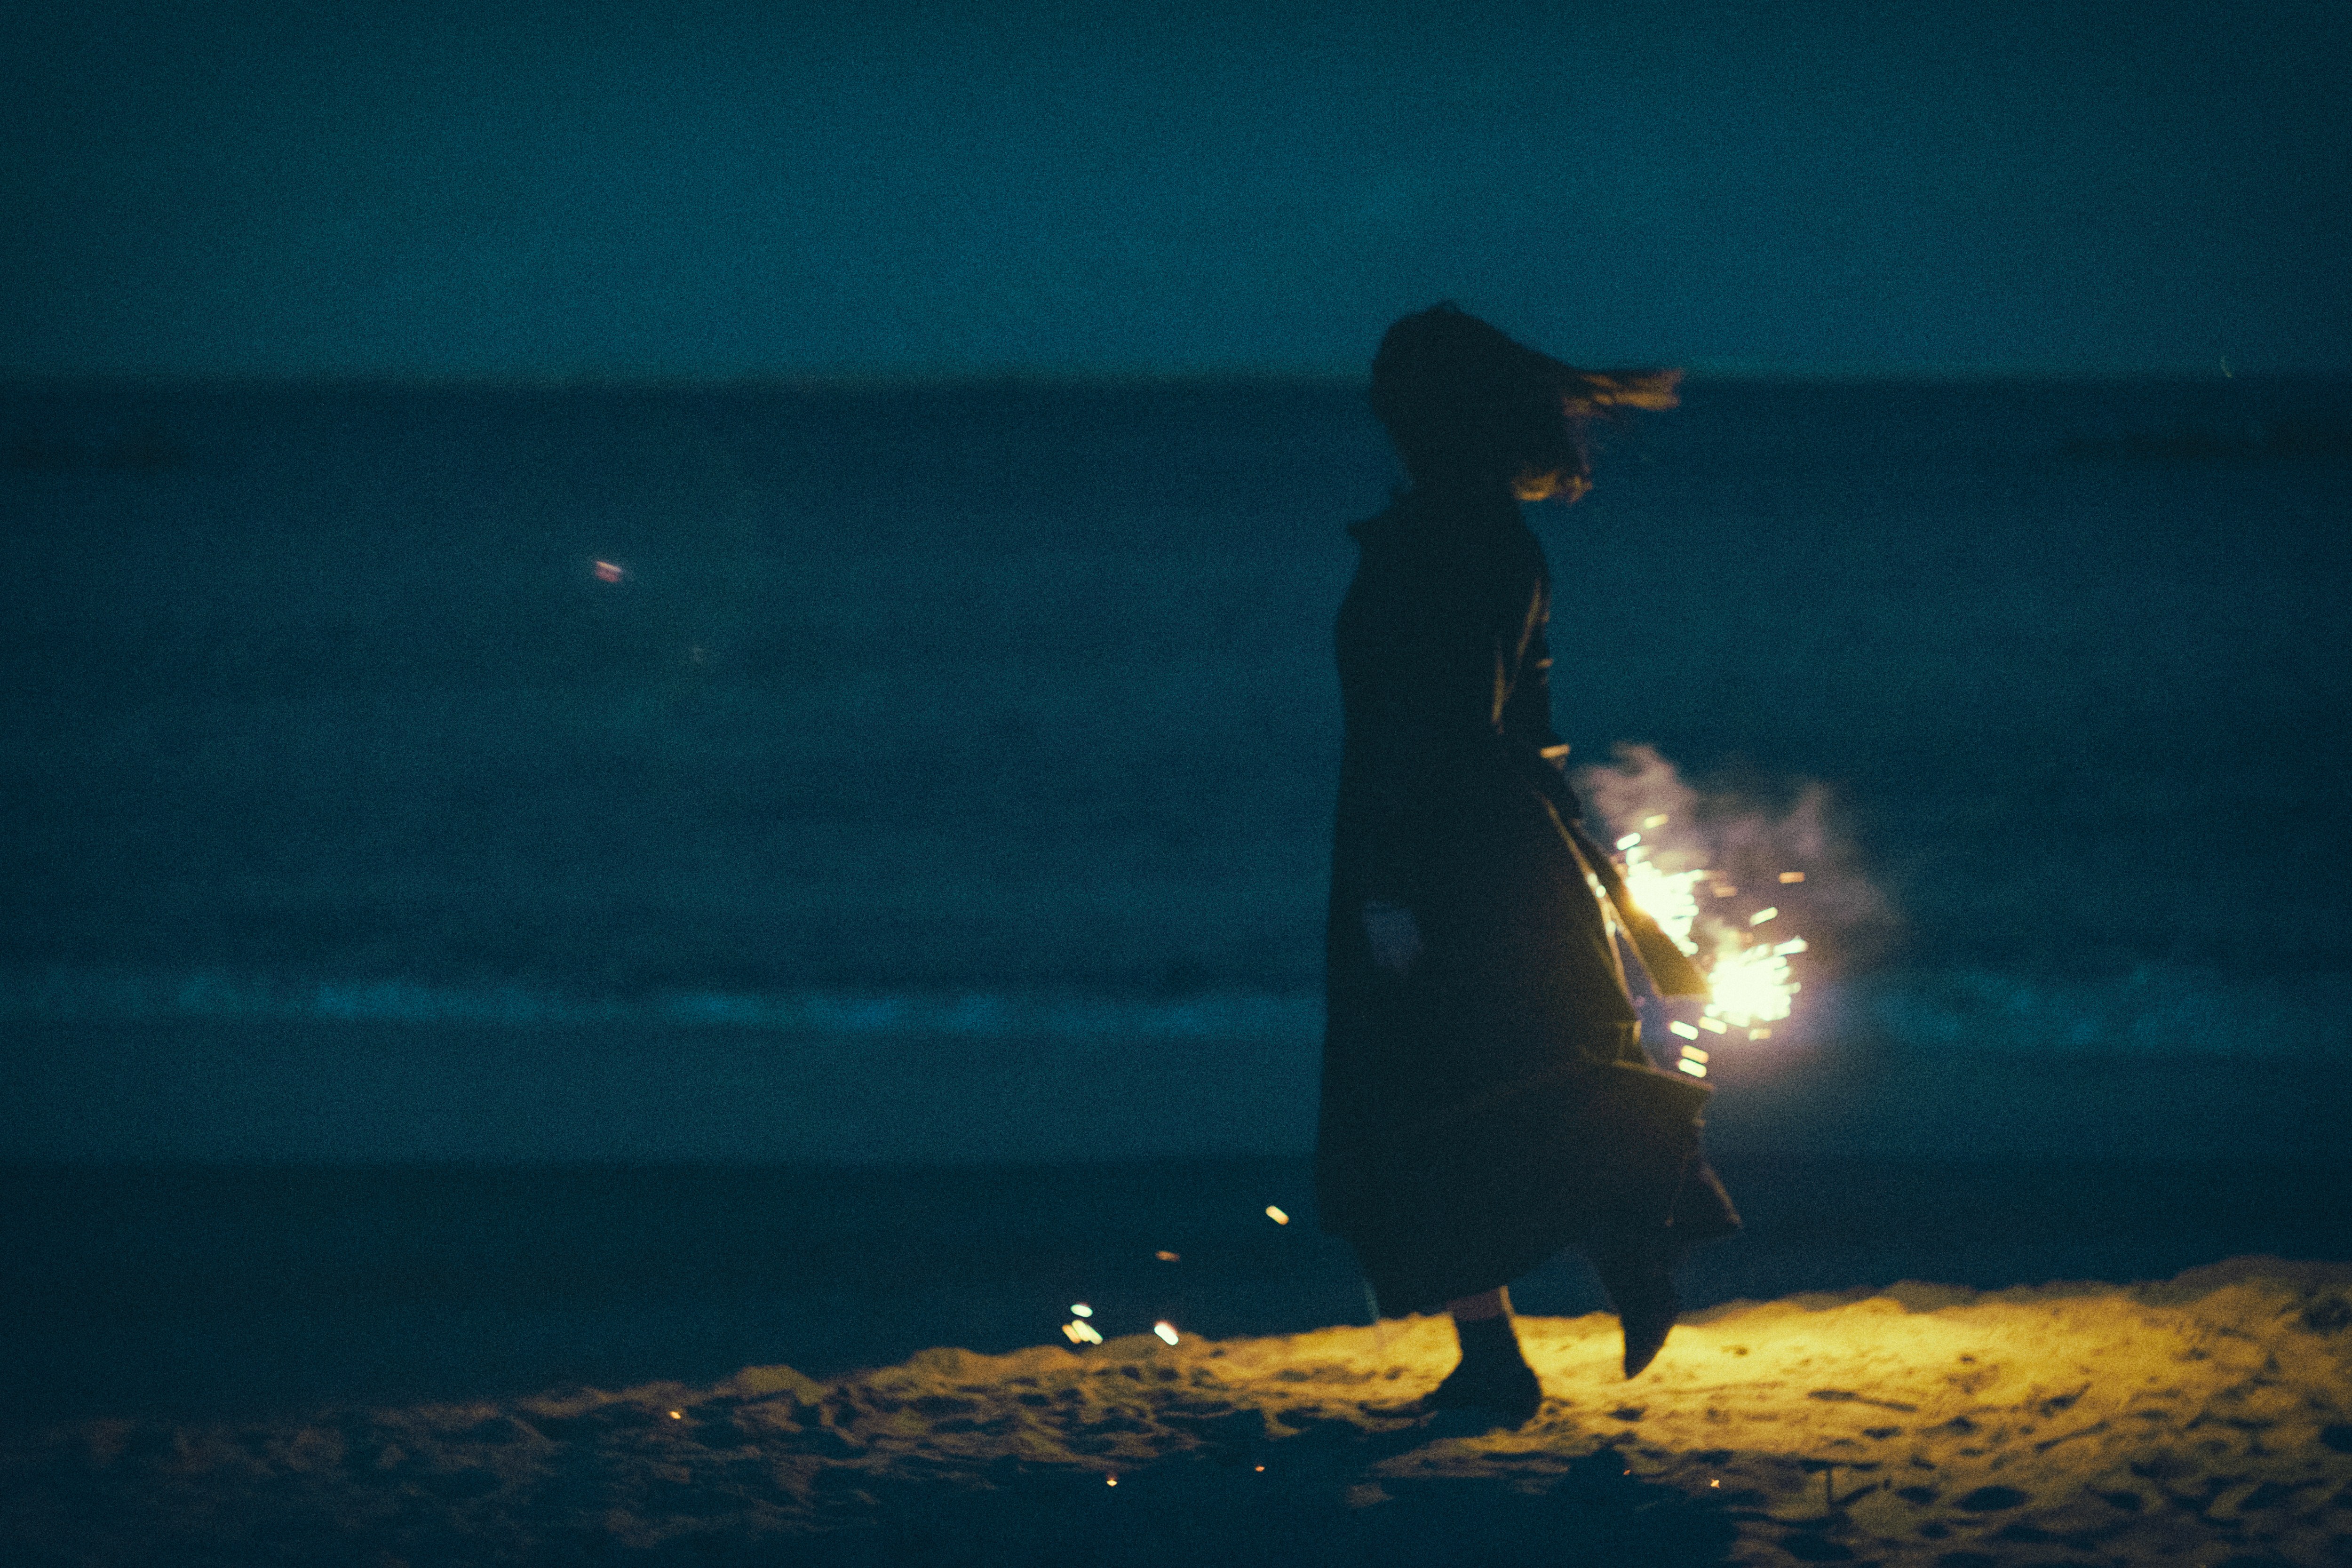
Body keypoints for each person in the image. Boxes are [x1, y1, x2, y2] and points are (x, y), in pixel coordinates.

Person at [1315, 303, 1740, 1425]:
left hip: (1438, 859)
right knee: (1477, 1097)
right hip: (1499, 850)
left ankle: (1585, 1270)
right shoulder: (1496, 538)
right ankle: (1563, 1294)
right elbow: (1529, 743)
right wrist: (1619, 903)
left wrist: (1390, 885)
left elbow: (1439, 730)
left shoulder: (1435, 546)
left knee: (1420, 1110)